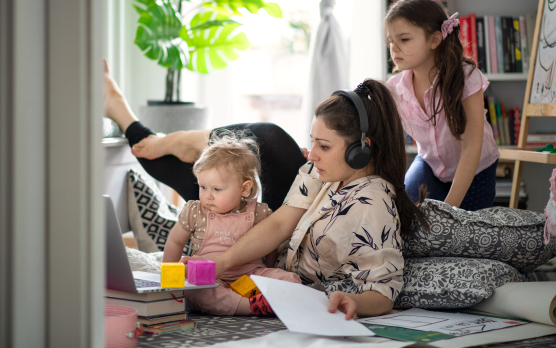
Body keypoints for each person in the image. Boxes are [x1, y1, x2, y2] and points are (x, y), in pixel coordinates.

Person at [104, 61, 429, 319]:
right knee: (242, 158)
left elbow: (383, 292)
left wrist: (355, 302)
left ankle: (158, 129)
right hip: (259, 246)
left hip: (272, 270)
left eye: (324, 145)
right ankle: (177, 138)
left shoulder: (373, 203)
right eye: (313, 140)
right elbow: (279, 224)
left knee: (252, 153)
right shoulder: (321, 171)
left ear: (361, 149)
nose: (311, 153)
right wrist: (221, 264)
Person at [162, 133, 301, 316]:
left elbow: (270, 245)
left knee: (291, 279)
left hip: (249, 276)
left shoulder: (258, 212)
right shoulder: (195, 211)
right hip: (209, 278)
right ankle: (252, 306)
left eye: (217, 189)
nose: (208, 196)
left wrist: (268, 270)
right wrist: (168, 279)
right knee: (198, 292)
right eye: (203, 187)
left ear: (244, 188)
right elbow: (175, 242)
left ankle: (253, 298)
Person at [384, 0, 500, 211]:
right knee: (406, 216)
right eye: (390, 41)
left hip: (476, 168)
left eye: (404, 39)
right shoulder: (394, 88)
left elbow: (472, 146)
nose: (394, 48)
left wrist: (449, 209)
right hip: (430, 164)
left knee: (465, 235)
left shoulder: (466, 77)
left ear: (435, 40)